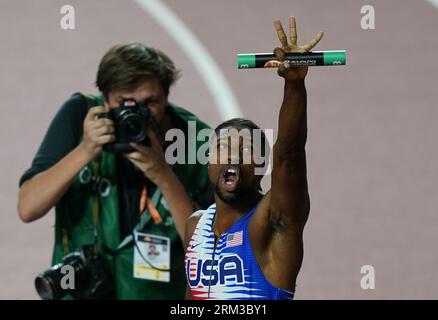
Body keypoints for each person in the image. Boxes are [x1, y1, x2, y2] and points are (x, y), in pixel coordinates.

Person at [18, 43, 212, 299]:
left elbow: (210, 253)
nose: (137, 113)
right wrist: (86, 150)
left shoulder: (194, 140)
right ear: (105, 98)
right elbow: (29, 206)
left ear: (166, 95)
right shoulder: (80, 116)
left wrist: (164, 175)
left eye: (150, 102)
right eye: (124, 102)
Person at [184, 16, 324, 300]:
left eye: (246, 149)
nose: (233, 155)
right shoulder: (196, 226)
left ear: (262, 167)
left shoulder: (274, 220)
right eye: (223, 147)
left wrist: (294, 86)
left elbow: (290, 154)